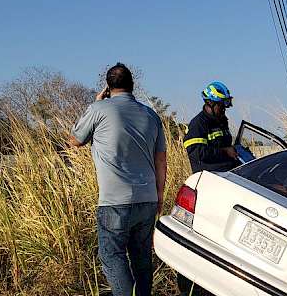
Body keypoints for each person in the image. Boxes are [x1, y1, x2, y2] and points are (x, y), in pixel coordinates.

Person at [68, 63, 167, 296]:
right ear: (132, 86)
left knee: (112, 255)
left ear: (108, 87)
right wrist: (159, 197)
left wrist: (98, 102)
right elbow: (161, 160)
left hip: (114, 201)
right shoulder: (151, 115)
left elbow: (74, 141)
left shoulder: (98, 109)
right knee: (141, 257)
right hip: (147, 199)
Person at [177, 81, 238, 296]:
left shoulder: (222, 122)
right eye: (221, 106)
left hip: (227, 179)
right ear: (210, 104)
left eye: (225, 106)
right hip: (209, 184)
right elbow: (197, 154)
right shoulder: (198, 125)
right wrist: (225, 153)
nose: (224, 110)